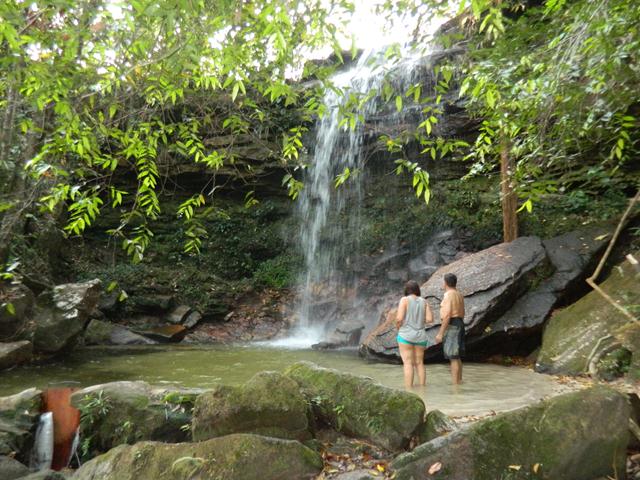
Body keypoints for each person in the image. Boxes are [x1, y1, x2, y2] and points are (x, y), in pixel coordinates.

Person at [395, 280, 434, 388]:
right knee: (419, 363)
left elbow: (399, 318)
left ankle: (409, 390)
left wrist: (398, 327)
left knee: (408, 363)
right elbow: (430, 319)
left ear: (406, 290)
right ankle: (422, 388)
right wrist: (418, 319)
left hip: (406, 335)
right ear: (417, 290)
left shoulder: (404, 300)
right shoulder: (424, 301)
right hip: (420, 335)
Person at [435, 273, 465, 385]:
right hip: (460, 323)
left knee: (453, 357)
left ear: (445, 283)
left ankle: (455, 386)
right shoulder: (459, 295)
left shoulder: (448, 295)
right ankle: (459, 381)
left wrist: (440, 333)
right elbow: (463, 312)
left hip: (452, 325)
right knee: (457, 357)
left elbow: (447, 315)